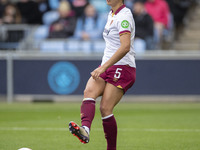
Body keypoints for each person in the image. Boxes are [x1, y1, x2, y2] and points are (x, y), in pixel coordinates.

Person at [68, 0, 136, 149]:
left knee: (105, 108)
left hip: (123, 67)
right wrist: (104, 66)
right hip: (107, 65)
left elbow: (125, 47)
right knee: (89, 91)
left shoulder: (124, 16)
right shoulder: (111, 14)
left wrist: (103, 67)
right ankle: (85, 130)